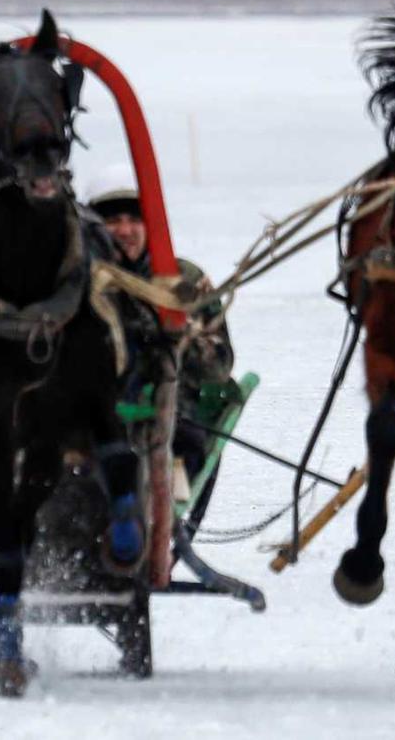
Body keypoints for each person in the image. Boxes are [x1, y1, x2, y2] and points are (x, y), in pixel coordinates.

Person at [85, 179, 234, 532]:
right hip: (90, 411)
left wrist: (179, 337)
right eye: (113, 221)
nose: (125, 230)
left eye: (135, 219)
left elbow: (219, 367)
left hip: (167, 414)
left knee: (184, 440)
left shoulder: (184, 280)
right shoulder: (77, 281)